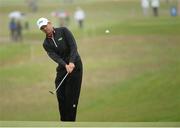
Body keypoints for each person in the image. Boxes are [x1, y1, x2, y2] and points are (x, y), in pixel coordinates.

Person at [36, 17, 83, 121]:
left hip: (75, 65)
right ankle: (63, 122)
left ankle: (70, 122)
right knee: (61, 95)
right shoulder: (46, 44)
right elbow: (55, 57)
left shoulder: (63, 31)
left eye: (45, 26)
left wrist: (71, 62)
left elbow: (73, 47)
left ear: (50, 23)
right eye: (42, 28)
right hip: (63, 68)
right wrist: (65, 65)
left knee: (71, 98)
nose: (45, 29)